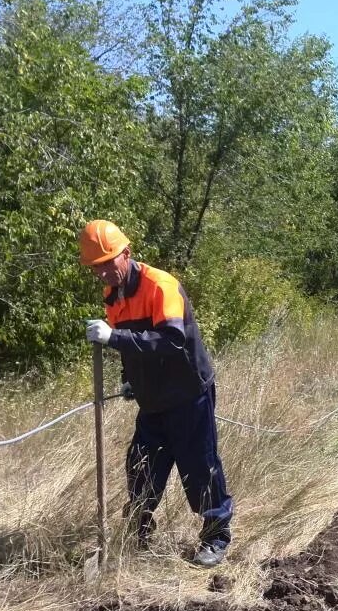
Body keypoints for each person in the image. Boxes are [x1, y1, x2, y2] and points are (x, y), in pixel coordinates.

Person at [79, 220, 233, 567]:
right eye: (95, 267)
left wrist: (112, 338)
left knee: (199, 466)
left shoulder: (160, 286)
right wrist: (129, 377)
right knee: (141, 467)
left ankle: (216, 536)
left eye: (107, 263)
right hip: (152, 399)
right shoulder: (114, 296)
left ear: (126, 253)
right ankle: (140, 531)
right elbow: (132, 347)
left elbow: (172, 340)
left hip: (187, 393)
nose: (102, 273)